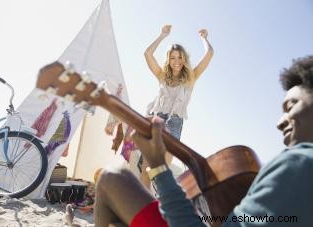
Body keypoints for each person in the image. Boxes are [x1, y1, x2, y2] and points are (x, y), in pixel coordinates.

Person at [67, 55, 312, 227]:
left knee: (113, 177)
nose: (281, 121)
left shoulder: (300, 162)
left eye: (291, 106)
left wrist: (158, 166)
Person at [136, 25, 214, 188]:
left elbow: (209, 54)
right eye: (173, 57)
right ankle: (143, 207)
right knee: (146, 168)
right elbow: (147, 54)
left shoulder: (191, 78)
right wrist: (162, 35)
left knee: (160, 170)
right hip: (157, 119)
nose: (176, 61)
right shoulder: (162, 76)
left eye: (179, 57)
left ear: (184, 59)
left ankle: (158, 198)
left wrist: (204, 38)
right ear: (168, 59)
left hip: (174, 124)